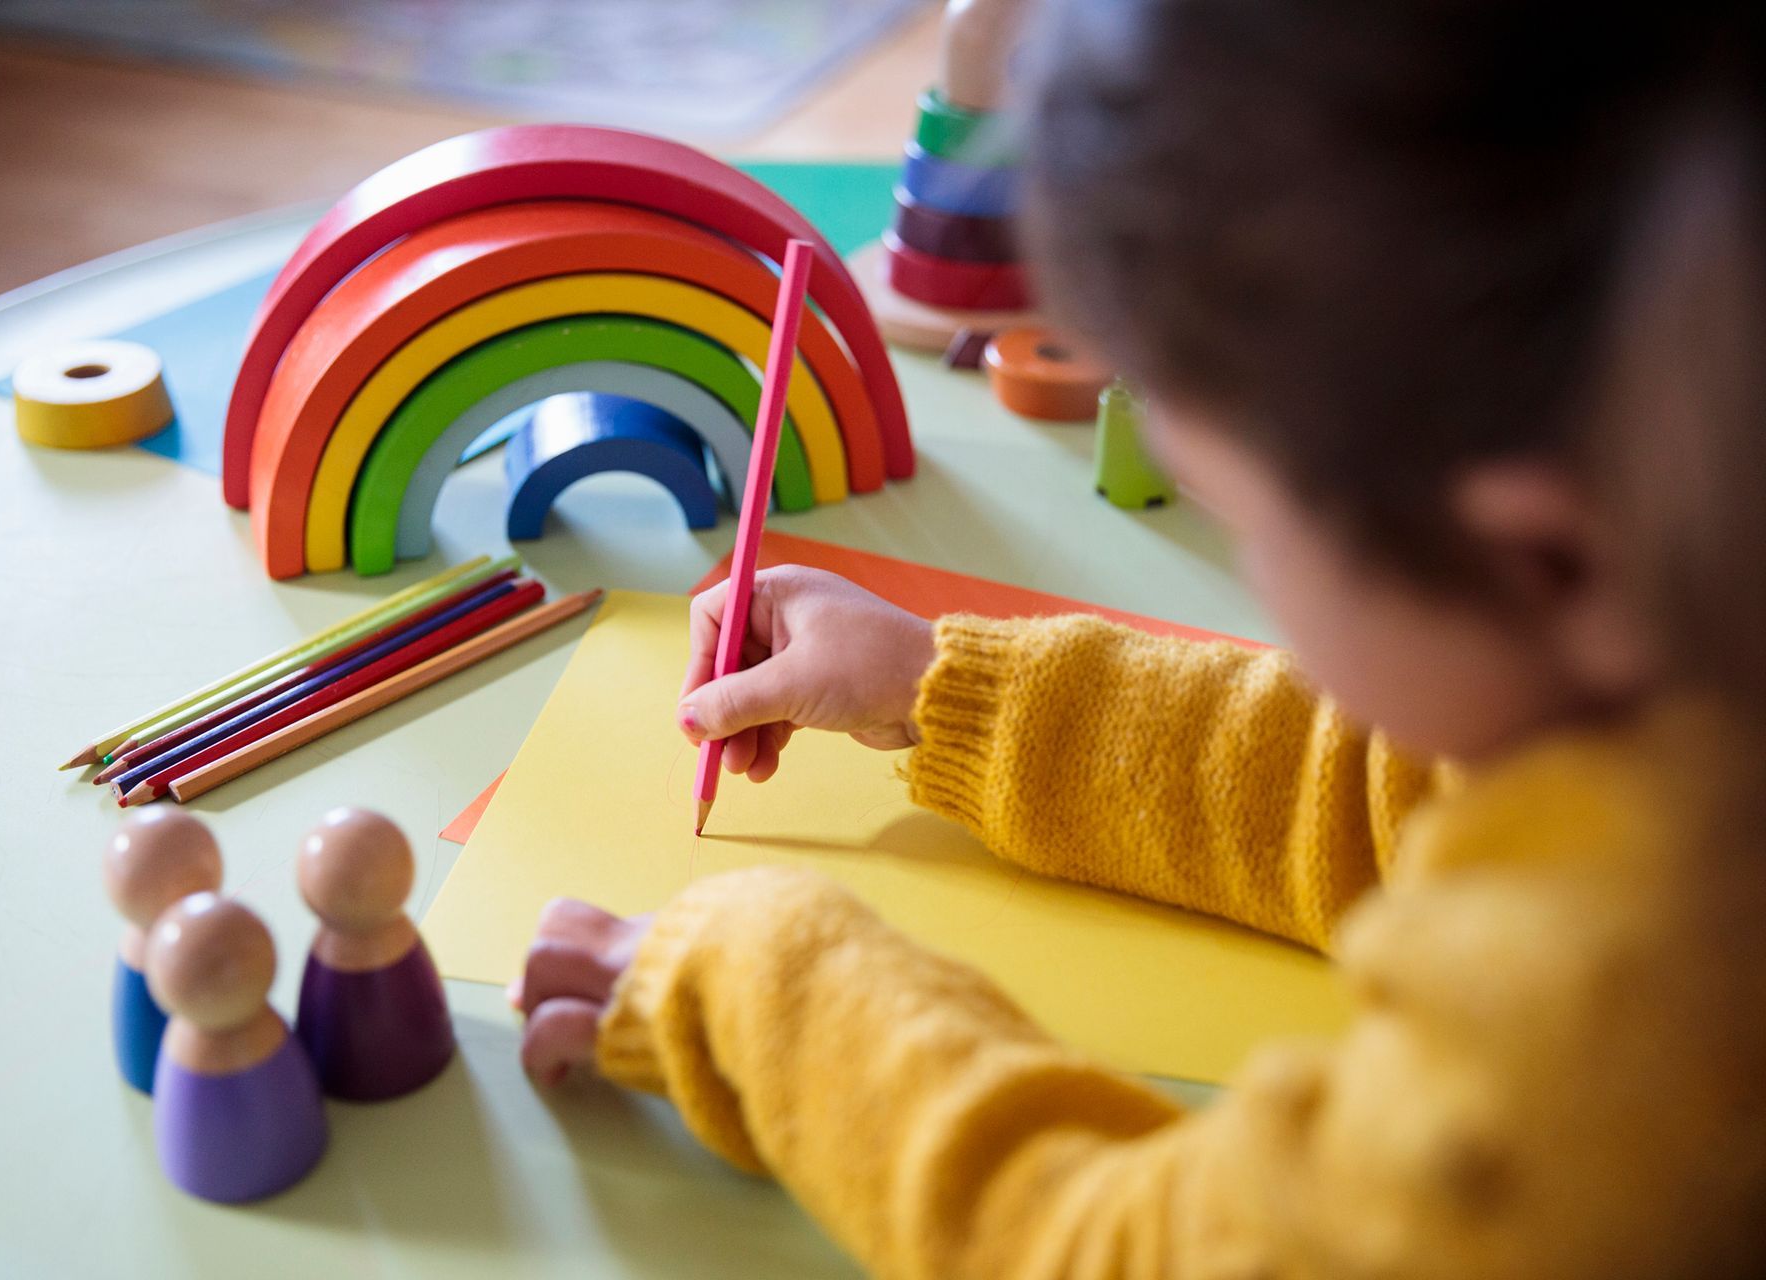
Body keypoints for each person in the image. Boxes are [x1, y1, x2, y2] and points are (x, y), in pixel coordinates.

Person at [513, 1, 1766, 1275]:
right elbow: (1388, 799)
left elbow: (1108, 1248)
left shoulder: (1601, 1037)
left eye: (1256, 526)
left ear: (1543, 558)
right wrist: (940, 691)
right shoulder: (1681, 671)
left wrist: (766, 986)